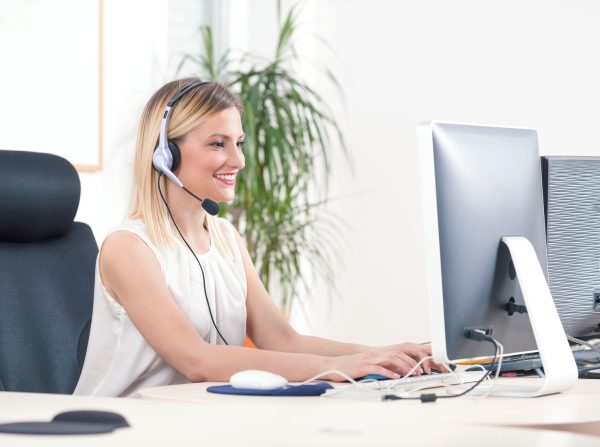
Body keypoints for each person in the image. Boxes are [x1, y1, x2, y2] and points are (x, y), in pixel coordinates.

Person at [74, 78, 441, 397]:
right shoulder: (129, 248)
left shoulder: (226, 238)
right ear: (164, 155)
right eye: (218, 144)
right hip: (126, 429)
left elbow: (283, 340)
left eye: (239, 143)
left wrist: (389, 356)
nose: (238, 160)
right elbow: (196, 360)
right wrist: (344, 365)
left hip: (197, 423)